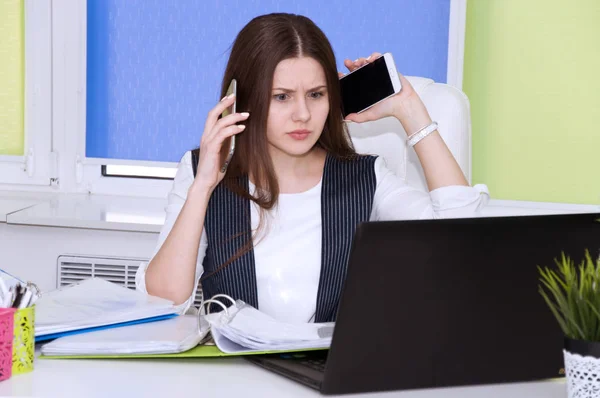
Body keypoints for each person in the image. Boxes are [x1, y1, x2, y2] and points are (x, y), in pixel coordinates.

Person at [135, 13, 489, 324]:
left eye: (317, 94)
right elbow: (165, 302)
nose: (303, 114)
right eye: (282, 96)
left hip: (331, 379)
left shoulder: (364, 177)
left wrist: (411, 110)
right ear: (242, 101)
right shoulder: (201, 172)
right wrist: (203, 186)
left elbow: (461, 244)